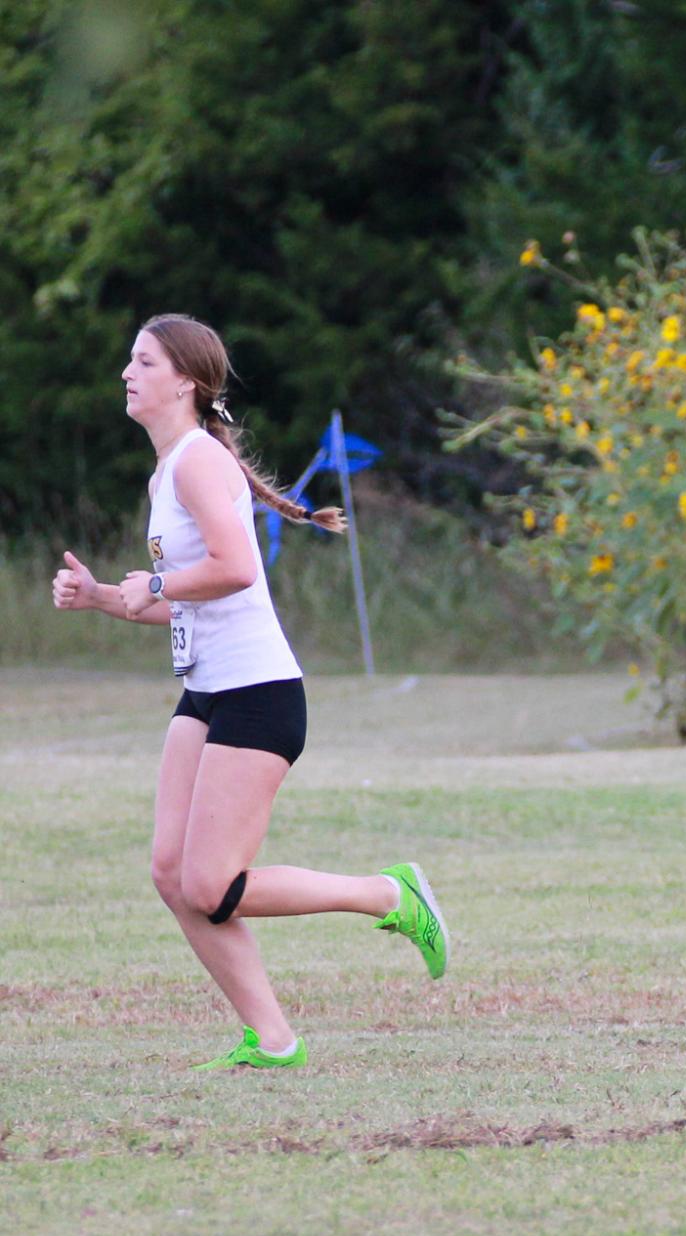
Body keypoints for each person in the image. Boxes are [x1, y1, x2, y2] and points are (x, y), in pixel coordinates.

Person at [49, 313, 448, 1069]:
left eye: (142, 361)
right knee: (173, 875)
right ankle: (272, 1040)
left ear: (186, 382)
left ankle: (388, 895)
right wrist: (106, 595)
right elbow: (192, 597)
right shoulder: (167, 469)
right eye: (128, 360)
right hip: (206, 693)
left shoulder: (198, 462)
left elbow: (235, 566)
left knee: (212, 883)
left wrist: (155, 580)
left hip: (259, 695)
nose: (126, 373)